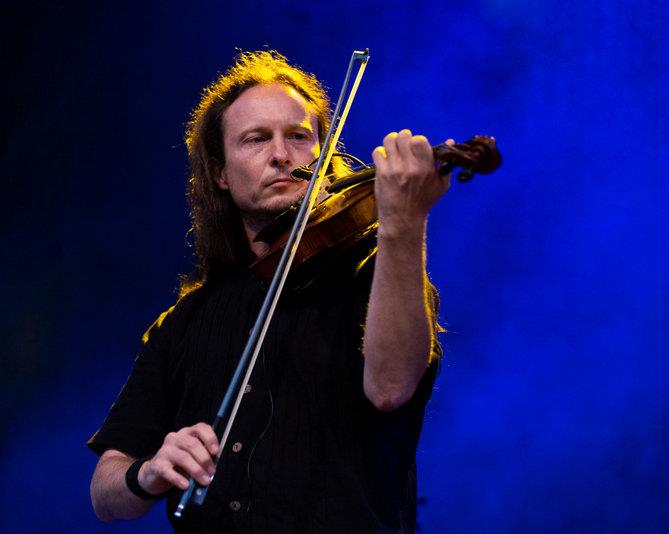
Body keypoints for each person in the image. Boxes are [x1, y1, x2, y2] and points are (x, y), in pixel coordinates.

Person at [87, 50, 448, 533]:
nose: (281, 155)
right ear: (220, 172)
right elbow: (106, 494)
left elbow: (389, 389)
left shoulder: (378, 276)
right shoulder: (184, 322)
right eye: (257, 139)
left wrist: (404, 223)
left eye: (298, 136)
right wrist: (148, 472)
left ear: (324, 156)